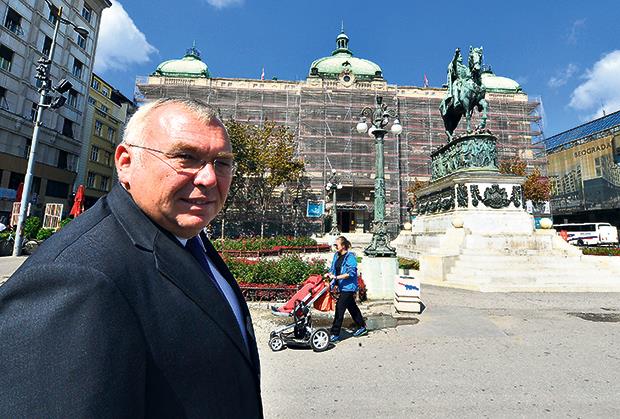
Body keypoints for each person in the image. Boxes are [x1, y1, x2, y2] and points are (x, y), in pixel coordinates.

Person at [0, 98, 263, 418]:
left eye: (221, 162)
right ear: (125, 162)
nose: (209, 178)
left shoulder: (190, 239)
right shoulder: (75, 278)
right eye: (185, 157)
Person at [326, 235, 367, 342]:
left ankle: (335, 334)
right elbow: (333, 269)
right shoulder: (336, 255)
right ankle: (362, 326)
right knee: (352, 307)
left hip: (349, 287)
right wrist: (329, 275)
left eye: (337, 245)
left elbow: (351, 273)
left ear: (343, 246)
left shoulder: (350, 257)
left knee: (339, 308)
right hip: (341, 286)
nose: (335, 247)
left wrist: (336, 277)